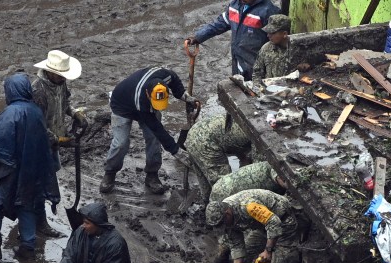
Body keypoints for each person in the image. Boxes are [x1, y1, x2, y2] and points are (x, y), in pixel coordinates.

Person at [0, 72, 61, 262]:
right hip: (31, 171)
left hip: (10, 171)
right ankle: (28, 247)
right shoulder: (36, 112)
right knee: (26, 205)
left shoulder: (11, 113)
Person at [102, 65, 188, 195]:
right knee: (121, 143)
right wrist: (175, 150)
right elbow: (156, 128)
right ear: (148, 94)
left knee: (153, 140)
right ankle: (110, 172)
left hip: (144, 106)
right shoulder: (141, 99)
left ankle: (152, 174)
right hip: (121, 106)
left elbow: (175, 80)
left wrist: (184, 96)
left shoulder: (165, 76)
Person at [211, 187, 301, 263]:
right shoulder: (226, 216)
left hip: (284, 223)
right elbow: (237, 245)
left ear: (227, 213)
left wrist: (268, 251)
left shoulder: (249, 206)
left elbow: (274, 223)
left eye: (222, 223)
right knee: (247, 252)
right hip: (263, 227)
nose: (223, 227)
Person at [185, 0, 280, 80]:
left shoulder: (267, 11)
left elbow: (277, 40)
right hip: (238, 57)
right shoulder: (235, 5)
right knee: (239, 85)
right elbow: (219, 24)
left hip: (256, 62)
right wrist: (198, 37)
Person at [183, 108, 254, 186]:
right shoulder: (255, 137)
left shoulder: (249, 123)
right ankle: (216, 197)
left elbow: (242, 154)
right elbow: (256, 169)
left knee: (205, 181)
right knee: (223, 183)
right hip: (206, 143)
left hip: (196, 131)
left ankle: (206, 197)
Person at [31, 50, 82, 155]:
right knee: (45, 169)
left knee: (55, 167)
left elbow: (65, 102)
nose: (63, 78)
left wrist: (75, 113)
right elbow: (37, 125)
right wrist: (59, 140)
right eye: (60, 75)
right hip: (40, 141)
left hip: (55, 135)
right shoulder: (38, 92)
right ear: (50, 72)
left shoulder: (60, 82)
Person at [253, 14, 295, 80]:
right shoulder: (266, 48)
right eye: (268, 32)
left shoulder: (296, 50)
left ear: (284, 34)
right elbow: (257, 73)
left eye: (272, 33)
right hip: (269, 88)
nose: (268, 35)